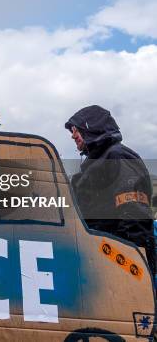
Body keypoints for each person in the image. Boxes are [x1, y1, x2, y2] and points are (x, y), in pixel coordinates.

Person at [65, 105, 155, 275]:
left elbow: (134, 215)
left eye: (76, 129)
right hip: (98, 259)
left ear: (90, 126)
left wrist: (134, 268)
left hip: (120, 263)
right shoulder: (91, 166)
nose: (72, 135)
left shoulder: (117, 156)